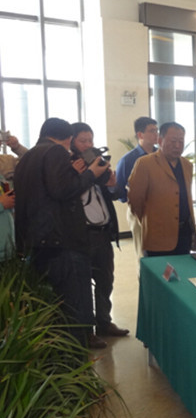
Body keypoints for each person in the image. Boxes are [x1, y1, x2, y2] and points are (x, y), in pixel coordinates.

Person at [14, 118, 109, 347]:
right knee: (75, 306)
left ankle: (63, 354)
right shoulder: (56, 151)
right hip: (63, 242)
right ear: (68, 138)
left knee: (57, 305)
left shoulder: (28, 157)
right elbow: (63, 190)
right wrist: (91, 174)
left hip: (38, 241)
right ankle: (76, 359)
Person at [71, 123, 129, 345]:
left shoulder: (99, 164)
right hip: (82, 235)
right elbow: (67, 193)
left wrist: (112, 184)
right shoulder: (69, 168)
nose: (88, 145)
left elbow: (114, 193)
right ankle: (87, 332)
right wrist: (85, 174)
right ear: (72, 142)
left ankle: (104, 322)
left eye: (90, 140)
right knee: (83, 285)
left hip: (104, 233)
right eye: (83, 141)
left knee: (106, 280)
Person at [128, 121, 196, 256]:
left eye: (181, 141)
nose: (177, 146)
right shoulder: (145, 163)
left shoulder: (187, 165)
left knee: (183, 268)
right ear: (160, 140)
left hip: (184, 234)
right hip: (158, 236)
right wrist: (151, 221)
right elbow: (135, 200)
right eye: (173, 141)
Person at [114, 117, 158, 259]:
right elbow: (120, 191)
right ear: (140, 135)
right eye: (152, 131)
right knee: (143, 254)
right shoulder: (128, 160)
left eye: (157, 130)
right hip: (139, 211)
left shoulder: (163, 156)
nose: (156, 134)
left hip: (162, 210)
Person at [0, 133, 27, 262]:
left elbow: (33, 160)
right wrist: (1, 204)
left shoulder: (7, 160)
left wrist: (17, 147)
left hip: (9, 239)